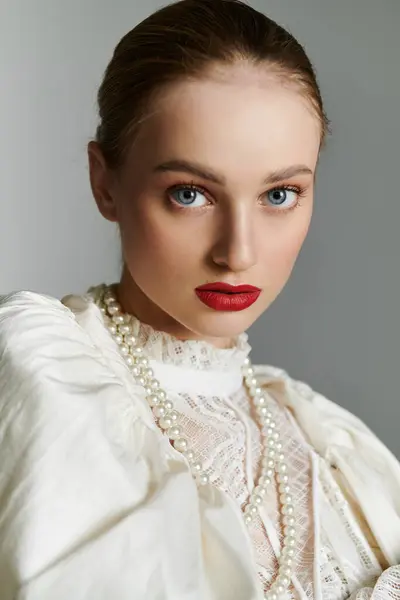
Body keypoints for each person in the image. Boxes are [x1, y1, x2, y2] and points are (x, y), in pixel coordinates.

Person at [0, 1, 399, 599]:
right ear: (104, 182)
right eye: (190, 193)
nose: (237, 252)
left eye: (281, 194)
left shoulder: (330, 438)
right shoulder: (41, 373)